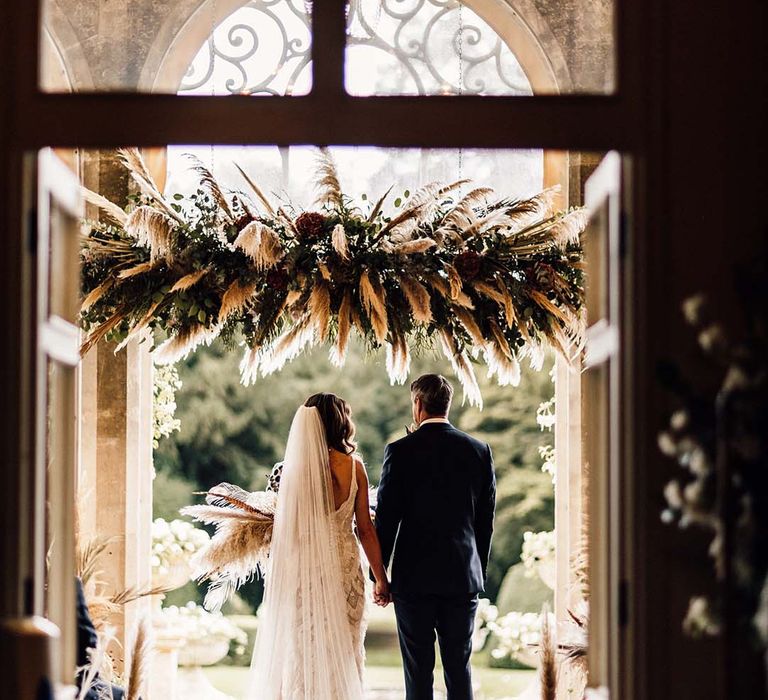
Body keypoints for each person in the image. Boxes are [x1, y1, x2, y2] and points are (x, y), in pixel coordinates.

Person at [246, 393, 389, 700]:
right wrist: (381, 579)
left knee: (302, 648)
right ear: (341, 423)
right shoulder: (355, 467)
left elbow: (288, 529)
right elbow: (366, 529)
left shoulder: (293, 473)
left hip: (304, 569)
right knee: (346, 650)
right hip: (345, 569)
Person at [375, 374, 496, 700]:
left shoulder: (399, 452)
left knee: (418, 671)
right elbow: (485, 523)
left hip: (414, 579)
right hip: (462, 577)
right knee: (459, 668)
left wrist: (380, 575)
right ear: (447, 403)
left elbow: (386, 519)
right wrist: (477, 571)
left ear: (417, 404)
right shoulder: (479, 451)